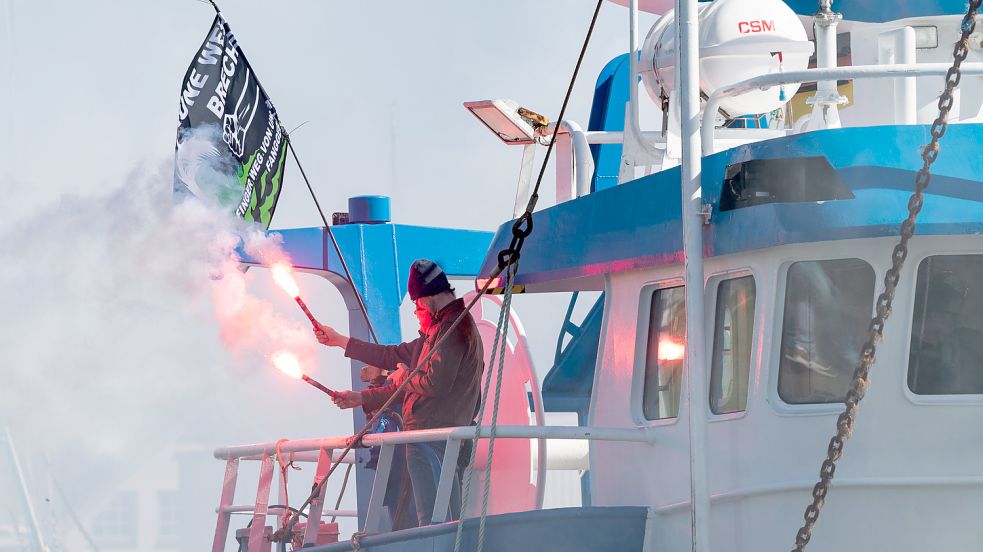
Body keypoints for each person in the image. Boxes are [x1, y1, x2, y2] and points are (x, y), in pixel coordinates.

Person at [314, 259, 484, 526]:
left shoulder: (451, 331)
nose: (416, 312)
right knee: (446, 521)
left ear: (426, 299)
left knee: (433, 522)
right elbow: (393, 357)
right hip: (439, 439)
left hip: (431, 440)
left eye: (417, 306)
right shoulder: (444, 330)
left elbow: (434, 384)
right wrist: (341, 344)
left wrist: (404, 375)